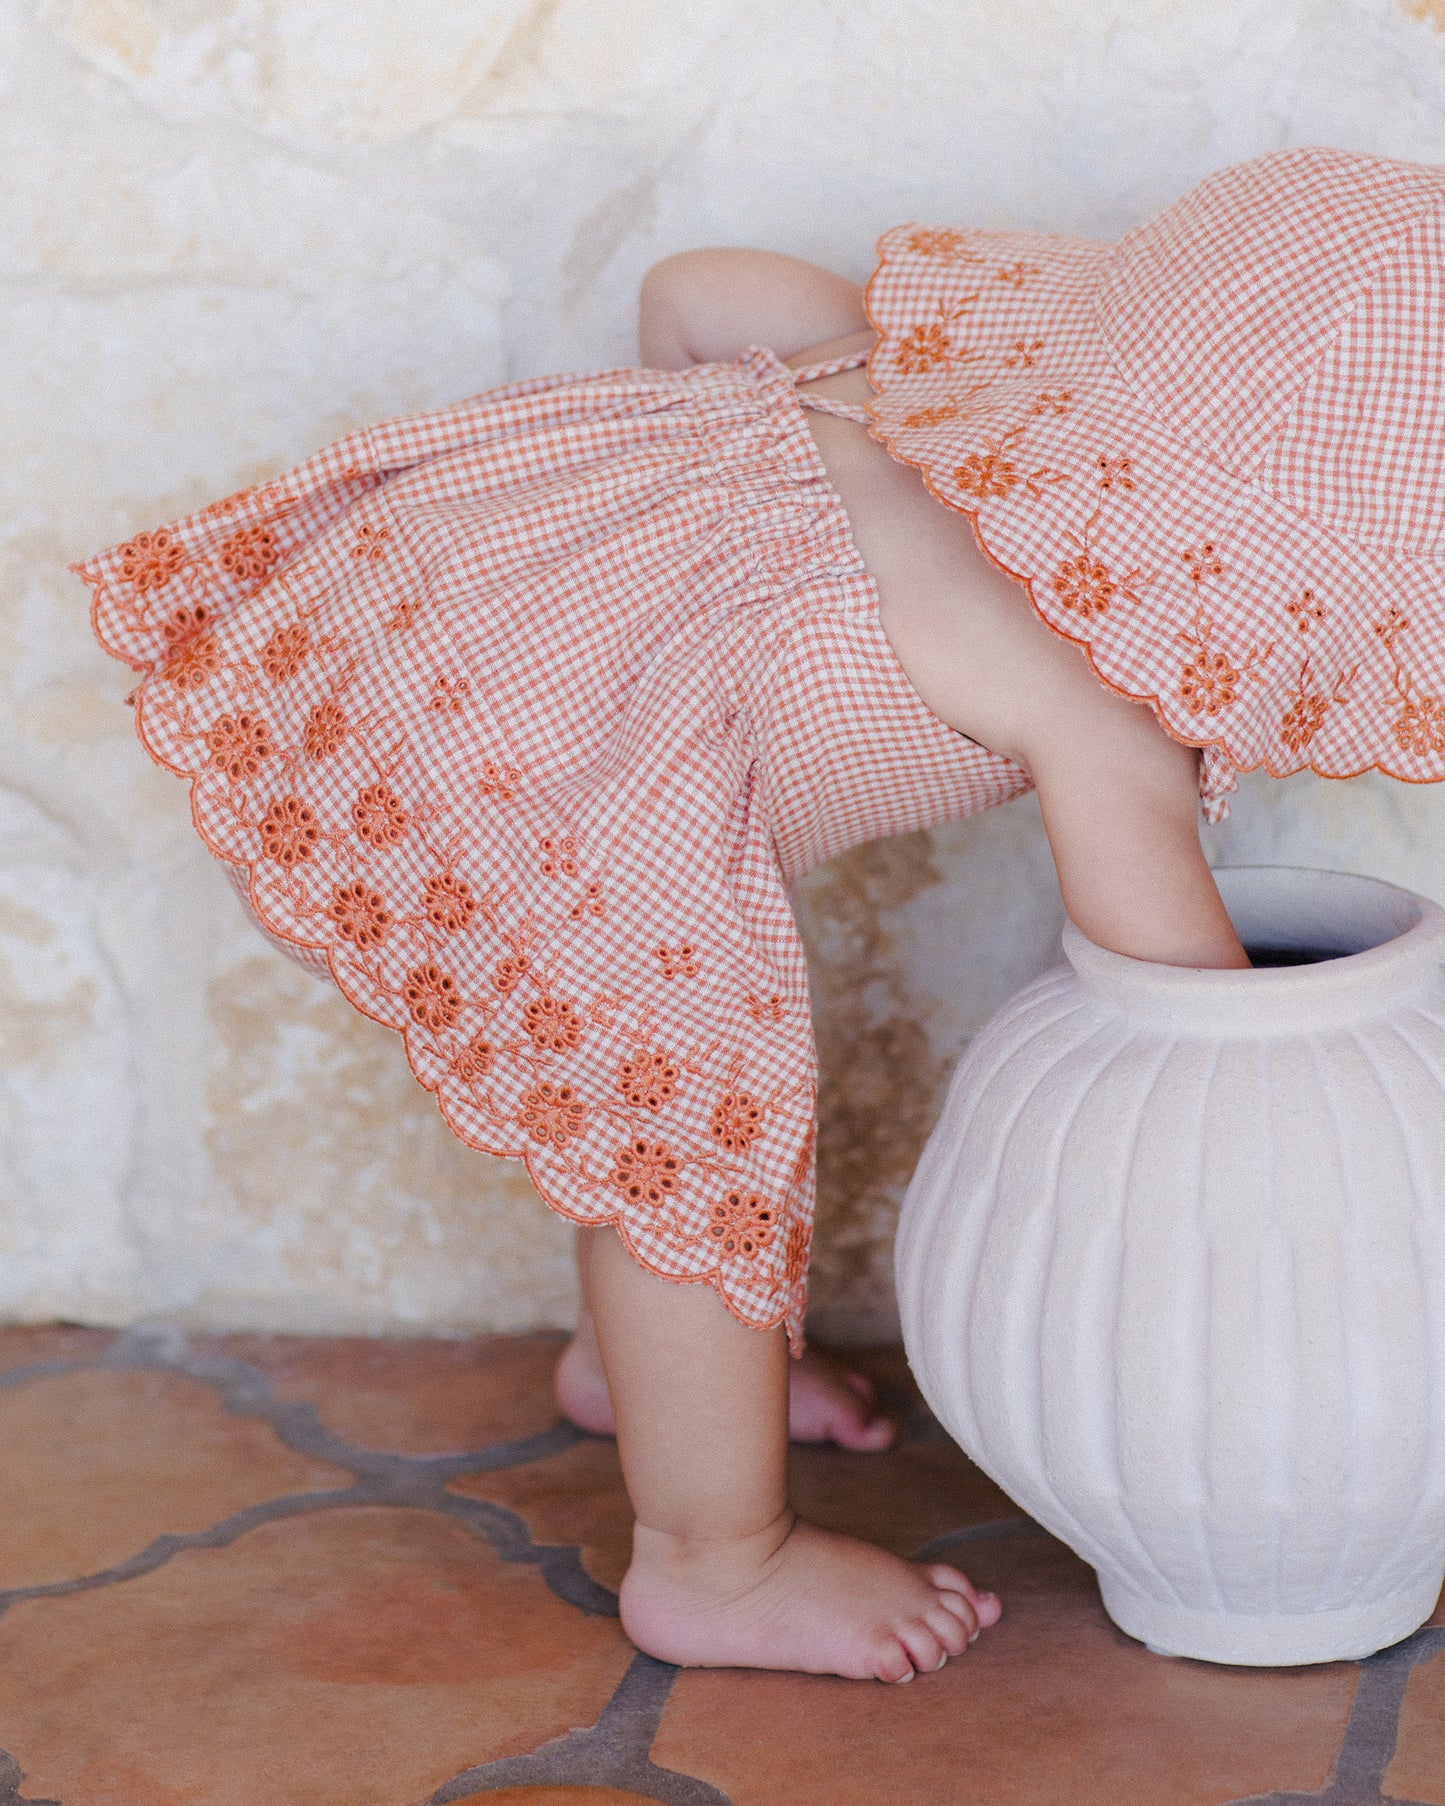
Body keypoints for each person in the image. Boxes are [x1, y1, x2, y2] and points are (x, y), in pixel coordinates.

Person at [76, 144, 1445, 1682]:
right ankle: (715, 1555)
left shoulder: (882, 356)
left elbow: (690, 294)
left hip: (411, 616)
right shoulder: (1097, 714)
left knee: (619, 1080)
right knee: (693, 1133)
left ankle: (639, 1366)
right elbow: (1183, 999)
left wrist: (689, 564)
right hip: (527, 766)